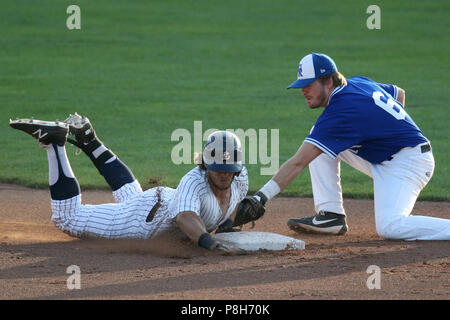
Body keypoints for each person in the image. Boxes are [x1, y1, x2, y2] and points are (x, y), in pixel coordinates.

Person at [249, 52, 450, 240]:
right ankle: (331, 216)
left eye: (308, 85)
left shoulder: (341, 111)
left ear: (328, 81)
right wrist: (384, 130)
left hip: (409, 163)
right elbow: (398, 94)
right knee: (318, 141)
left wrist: (261, 197)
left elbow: (298, 163)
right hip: (389, 157)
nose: (303, 91)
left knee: (390, 226)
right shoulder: (358, 83)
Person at [9, 113, 250, 254]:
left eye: (229, 170)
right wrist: (211, 243)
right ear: (206, 164)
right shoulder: (193, 181)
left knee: (132, 198)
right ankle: (54, 144)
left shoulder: (241, 179)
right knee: (66, 218)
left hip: (156, 203)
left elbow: (234, 202)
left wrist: (229, 224)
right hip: (143, 222)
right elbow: (186, 218)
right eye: (218, 168)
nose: (224, 174)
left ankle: (89, 140)